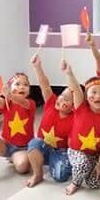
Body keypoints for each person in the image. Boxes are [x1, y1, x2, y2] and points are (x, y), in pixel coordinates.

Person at [63, 60, 100, 195]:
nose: (98, 96)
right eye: (94, 92)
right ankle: (75, 182)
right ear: (87, 95)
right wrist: (69, 73)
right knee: (82, 164)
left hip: (93, 155)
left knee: (95, 183)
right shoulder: (81, 107)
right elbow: (76, 89)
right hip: (76, 151)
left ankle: (81, 169)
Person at [26, 54, 74, 187]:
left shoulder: (75, 118)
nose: (61, 100)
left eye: (66, 99)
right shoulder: (51, 104)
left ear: (73, 106)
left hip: (60, 151)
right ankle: (38, 174)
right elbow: (45, 86)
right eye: (61, 96)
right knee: (34, 143)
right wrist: (37, 67)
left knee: (60, 176)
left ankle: (54, 162)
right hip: (43, 146)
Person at [0, 73, 35, 185]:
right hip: (6, 145)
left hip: (22, 148)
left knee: (22, 167)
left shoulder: (30, 104)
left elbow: (21, 102)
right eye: (17, 84)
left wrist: (9, 95)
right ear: (9, 88)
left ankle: (15, 157)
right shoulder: (6, 103)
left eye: (26, 84)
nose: (22, 87)